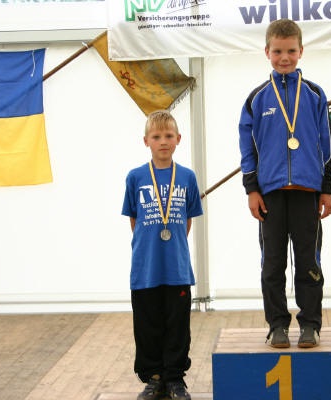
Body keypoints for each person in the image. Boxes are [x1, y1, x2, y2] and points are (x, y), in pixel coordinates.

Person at [238, 18, 331, 349]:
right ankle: (277, 325)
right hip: (270, 195)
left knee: (309, 263)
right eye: (278, 51)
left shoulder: (314, 94)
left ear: (301, 51)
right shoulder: (256, 98)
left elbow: (328, 143)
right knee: (272, 264)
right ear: (267, 51)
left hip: (307, 193)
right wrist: (252, 189)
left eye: (291, 51)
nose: (285, 57)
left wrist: (326, 188)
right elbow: (247, 149)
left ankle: (310, 325)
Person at [122, 110, 203, 400]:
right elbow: (134, 219)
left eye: (169, 136)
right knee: (147, 326)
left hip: (177, 268)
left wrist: (172, 244)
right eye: (156, 137)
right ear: (146, 141)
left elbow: (188, 219)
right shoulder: (135, 177)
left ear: (178, 139)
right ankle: (154, 379)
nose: (163, 141)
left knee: (177, 327)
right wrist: (149, 246)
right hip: (146, 268)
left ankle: (175, 379)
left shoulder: (187, 177)